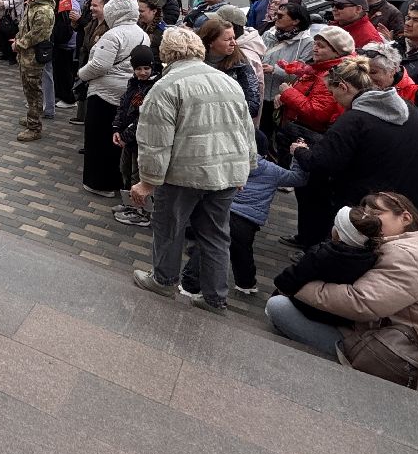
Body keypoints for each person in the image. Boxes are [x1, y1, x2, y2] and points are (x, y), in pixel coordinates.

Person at [265, 191, 418, 370]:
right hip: (417, 348)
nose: (368, 219)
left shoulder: (405, 255)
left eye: (376, 214)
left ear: (405, 218)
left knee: (279, 307)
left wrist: (298, 286)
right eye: (365, 213)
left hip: (407, 360)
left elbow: (360, 303)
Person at [129, 26, 257, 314]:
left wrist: (147, 182)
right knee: (216, 235)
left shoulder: (166, 86)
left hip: (183, 174)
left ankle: (164, 280)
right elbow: (246, 129)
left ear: (166, 53)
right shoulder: (227, 82)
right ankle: (215, 297)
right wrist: (245, 168)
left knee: (169, 227)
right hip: (225, 172)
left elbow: (155, 141)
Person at [288, 56, 418, 247]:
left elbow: (322, 162)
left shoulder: (355, 119)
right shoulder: (409, 109)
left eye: (332, 93)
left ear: (343, 87)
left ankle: (316, 246)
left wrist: (299, 151)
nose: (334, 99)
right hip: (410, 201)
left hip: (368, 205)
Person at [182, 137, 307, 297]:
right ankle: (246, 283)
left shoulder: (232, 162)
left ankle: (190, 285)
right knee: (242, 252)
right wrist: (297, 155)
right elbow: (298, 178)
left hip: (224, 211)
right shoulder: (272, 170)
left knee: (208, 246)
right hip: (248, 221)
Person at [77, 0, 149, 198]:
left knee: (98, 139)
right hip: (127, 92)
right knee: (116, 140)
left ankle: (99, 183)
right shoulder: (142, 34)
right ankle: (117, 181)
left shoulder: (113, 35)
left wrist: (81, 74)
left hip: (103, 93)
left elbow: (99, 65)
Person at [270, 204, 381, 326]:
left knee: (276, 302)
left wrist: (280, 284)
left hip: (309, 307)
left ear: (338, 234)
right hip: (340, 316)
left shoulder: (322, 254)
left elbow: (295, 275)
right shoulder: (370, 258)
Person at [111, 44, 159, 226]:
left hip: (141, 140)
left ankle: (142, 211)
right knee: (125, 170)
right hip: (128, 138)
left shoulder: (154, 87)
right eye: (138, 68)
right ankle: (130, 203)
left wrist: (126, 136)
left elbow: (144, 118)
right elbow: (123, 106)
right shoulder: (133, 83)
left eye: (146, 68)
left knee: (137, 175)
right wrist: (116, 128)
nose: (142, 72)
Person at [13, 0, 56, 141]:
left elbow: (37, 35)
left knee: (34, 92)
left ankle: (34, 127)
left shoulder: (44, 10)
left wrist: (19, 44)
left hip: (33, 57)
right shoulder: (35, 4)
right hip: (26, 55)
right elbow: (25, 26)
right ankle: (32, 116)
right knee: (28, 90)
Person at [199, 16, 261, 117]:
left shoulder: (240, 64)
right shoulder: (194, 62)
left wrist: (222, 115)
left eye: (234, 38)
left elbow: (253, 105)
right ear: (210, 42)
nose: (234, 43)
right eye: (227, 39)